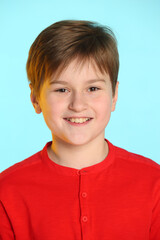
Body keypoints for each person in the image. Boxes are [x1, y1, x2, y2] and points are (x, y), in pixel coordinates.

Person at [0, 20, 160, 240]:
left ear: (114, 95)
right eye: (62, 89)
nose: (78, 104)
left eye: (92, 88)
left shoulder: (153, 182)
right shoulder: (7, 191)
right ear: (35, 98)